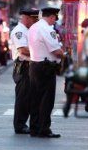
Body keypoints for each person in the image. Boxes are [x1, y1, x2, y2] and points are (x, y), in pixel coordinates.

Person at [27, 7, 64, 138]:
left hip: (34, 65)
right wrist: (65, 55)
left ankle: (34, 127)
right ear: (52, 17)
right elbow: (56, 51)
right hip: (46, 67)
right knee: (46, 100)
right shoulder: (47, 29)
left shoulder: (33, 27)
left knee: (35, 99)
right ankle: (44, 129)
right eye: (54, 19)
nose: (54, 22)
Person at [10, 8, 39, 134]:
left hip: (30, 66)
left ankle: (24, 123)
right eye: (33, 19)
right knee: (23, 97)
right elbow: (23, 50)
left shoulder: (28, 30)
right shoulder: (19, 31)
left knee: (30, 97)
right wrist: (40, 52)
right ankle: (19, 125)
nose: (35, 21)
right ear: (26, 18)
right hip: (23, 66)